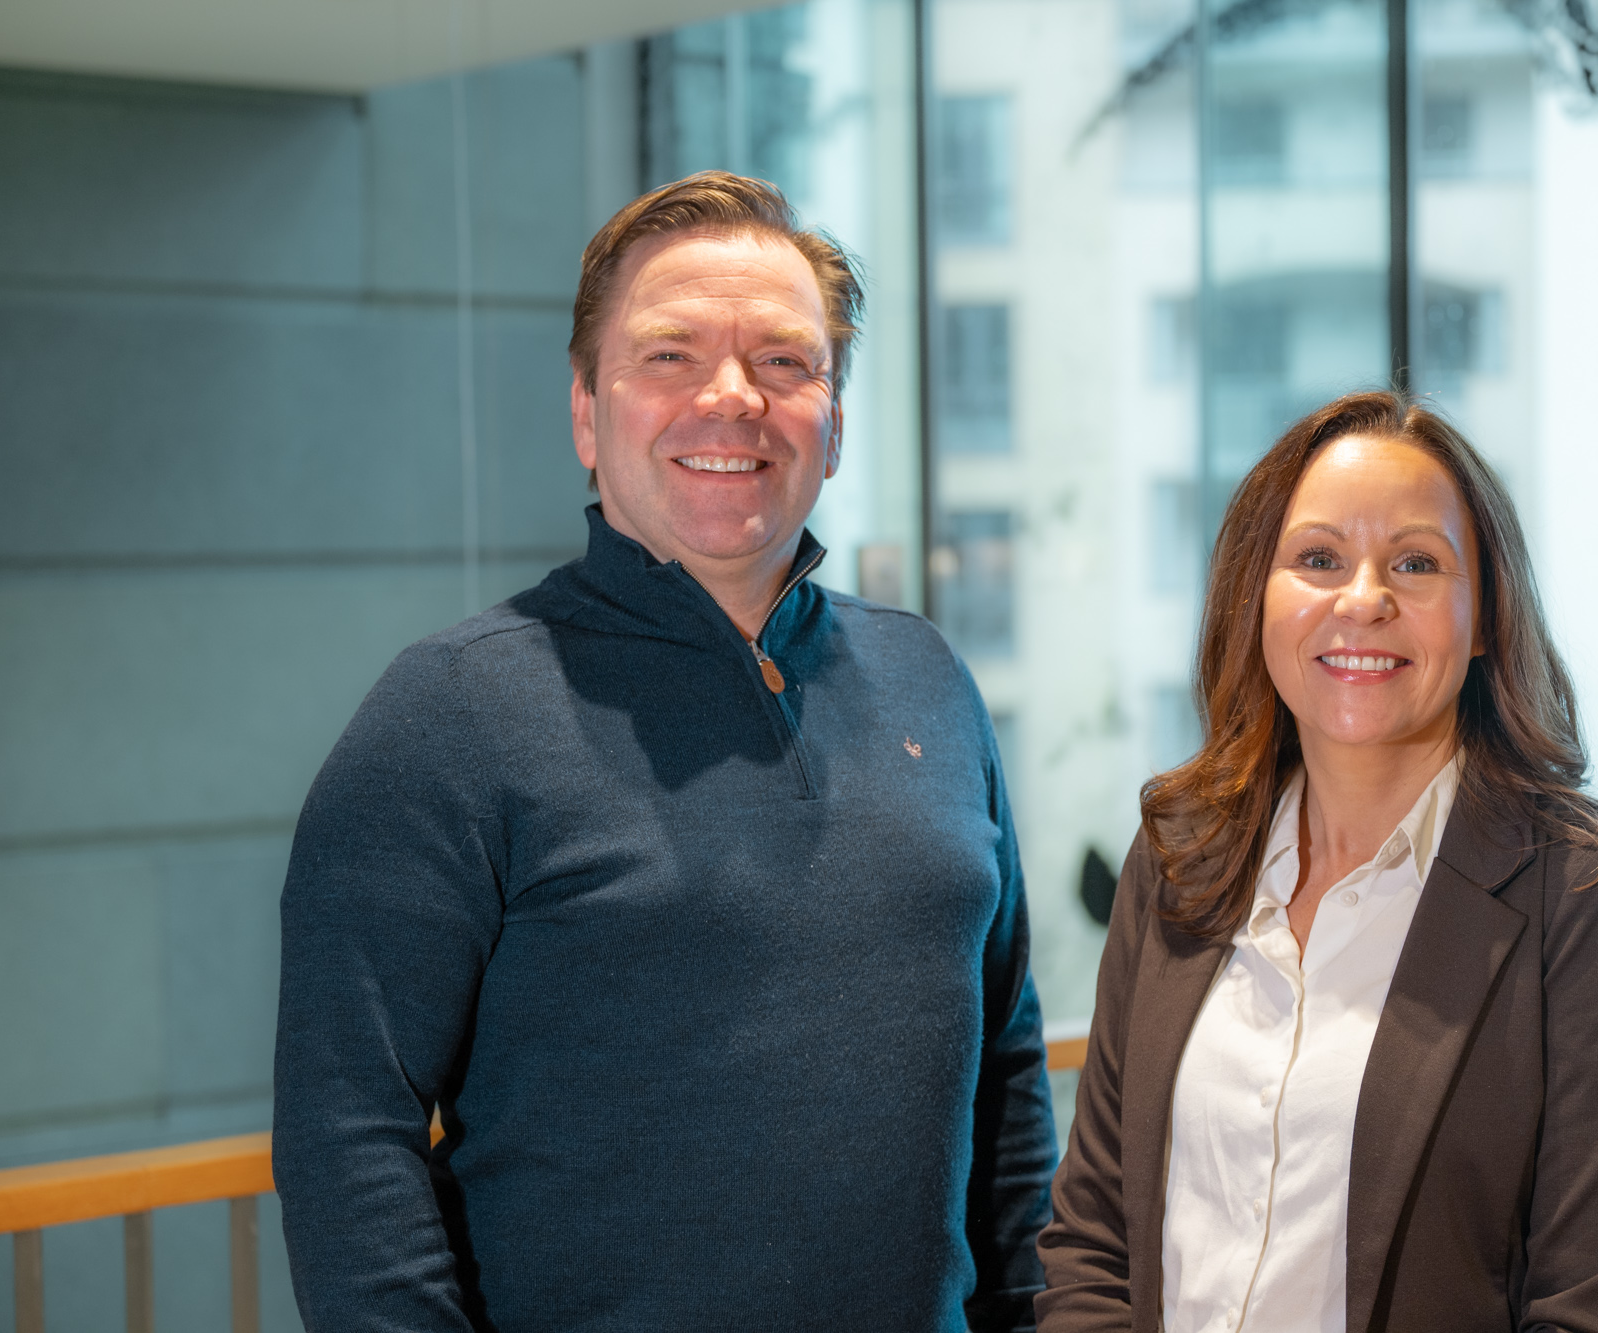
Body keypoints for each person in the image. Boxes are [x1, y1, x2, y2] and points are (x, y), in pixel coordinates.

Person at [272, 171, 1055, 1333]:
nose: (731, 397)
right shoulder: (448, 713)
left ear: (835, 424)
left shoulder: (926, 678)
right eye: (669, 356)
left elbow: (1006, 1076)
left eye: (783, 361)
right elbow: (348, 1135)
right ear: (587, 416)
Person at [1035, 391, 1598, 1332]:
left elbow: (1597, 1306)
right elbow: (1095, 1232)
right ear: (1257, 600)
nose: (1362, 599)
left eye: (1416, 563)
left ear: (1484, 618)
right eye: (1318, 559)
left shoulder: (1593, 895)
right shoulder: (1180, 854)